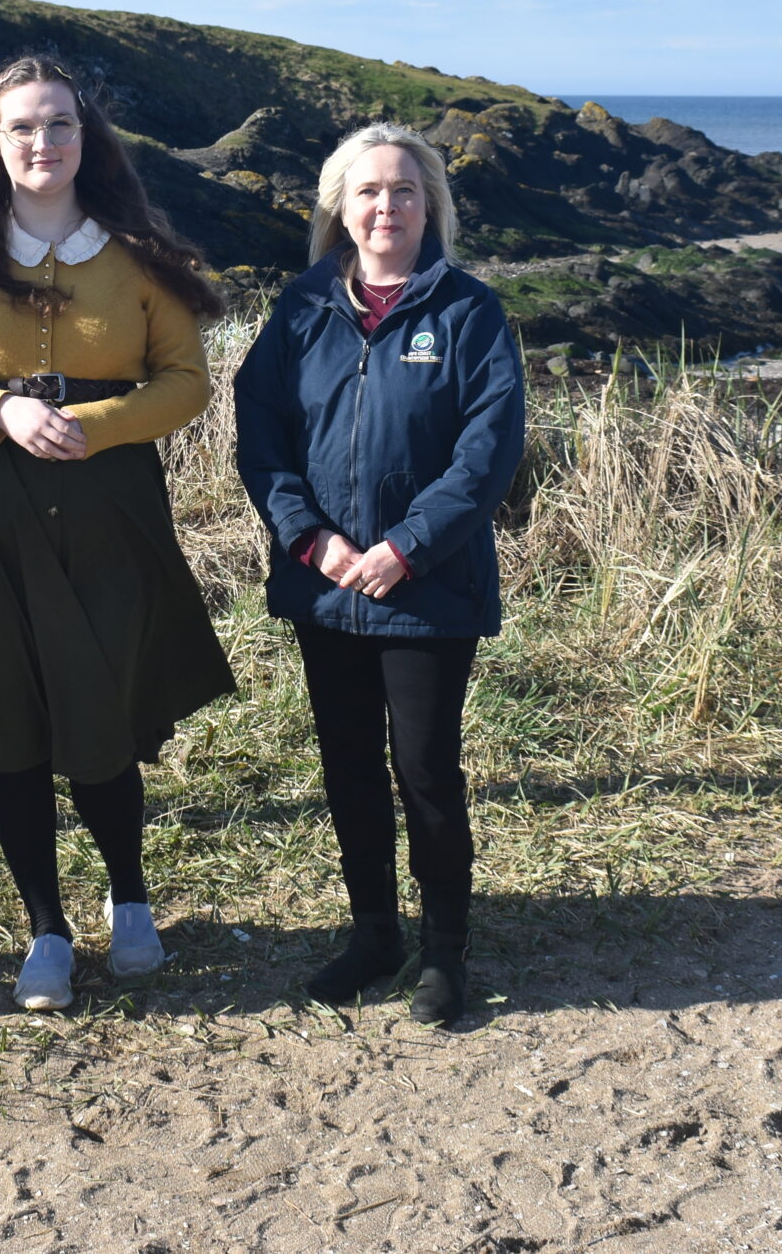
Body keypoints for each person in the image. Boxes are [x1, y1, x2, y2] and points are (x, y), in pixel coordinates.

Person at [0, 56, 236, 1012]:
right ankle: (44, 926)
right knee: (9, 712)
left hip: (108, 504)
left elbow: (186, 381)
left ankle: (130, 901)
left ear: (88, 138)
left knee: (103, 705)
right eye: (23, 128)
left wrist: (99, 425)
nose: (43, 143)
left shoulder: (135, 251)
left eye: (60, 125)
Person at [233, 122, 526, 1026]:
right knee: (349, 765)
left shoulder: (469, 312)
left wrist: (405, 547)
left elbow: (487, 452)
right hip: (326, 585)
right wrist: (309, 539)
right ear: (340, 209)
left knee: (427, 768)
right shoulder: (302, 309)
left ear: (430, 206)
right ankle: (373, 933)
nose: (386, 206)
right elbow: (261, 431)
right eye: (368, 192)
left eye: (405, 191)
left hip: (426, 587)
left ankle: (445, 949)